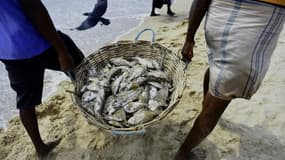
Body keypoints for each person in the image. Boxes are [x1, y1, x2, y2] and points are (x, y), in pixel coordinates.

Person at [175, 0, 285, 159]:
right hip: (250, 33)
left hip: (219, 23)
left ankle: (205, 105)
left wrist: (189, 39)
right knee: (216, 102)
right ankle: (183, 153)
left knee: (216, 66)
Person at [0, 0, 84, 157]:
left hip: (10, 53)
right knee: (81, 69)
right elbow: (34, 8)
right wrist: (61, 51)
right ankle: (94, 112)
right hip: (40, 42)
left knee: (25, 101)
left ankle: (40, 148)